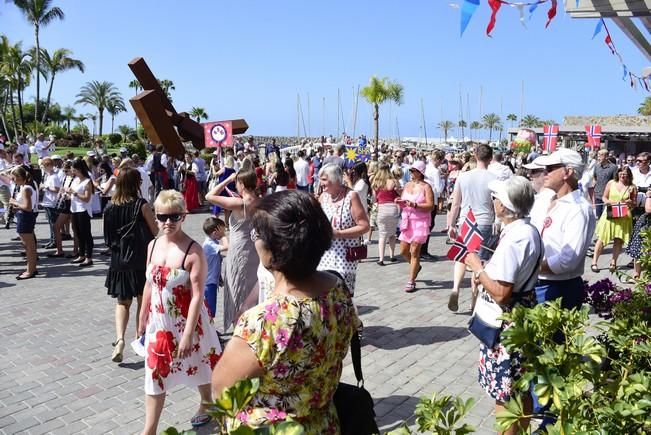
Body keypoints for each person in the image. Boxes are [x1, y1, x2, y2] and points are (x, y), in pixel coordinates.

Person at [211, 190, 360, 433]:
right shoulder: (337, 288)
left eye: (256, 234)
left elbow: (222, 392)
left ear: (274, 250)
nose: (254, 239)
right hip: (324, 424)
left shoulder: (267, 319)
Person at [138, 190, 222, 434]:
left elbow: (198, 295)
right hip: (160, 324)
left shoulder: (193, 251)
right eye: (162, 216)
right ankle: (149, 429)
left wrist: (186, 335)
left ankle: (207, 402)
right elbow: (149, 283)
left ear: (184, 216)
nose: (168, 222)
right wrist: (143, 314)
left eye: (174, 217)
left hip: (189, 321)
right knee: (155, 373)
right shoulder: (152, 245)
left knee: (200, 363)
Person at [465, 176, 541, 435]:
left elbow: (501, 294)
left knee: (505, 393)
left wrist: (477, 268)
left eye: (497, 197)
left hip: (506, 324)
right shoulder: (526, 230)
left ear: (505, 205)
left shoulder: (516, 237)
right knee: (519, 388)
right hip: (521, 316)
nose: (494, 201)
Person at [103, 168, 157, 362]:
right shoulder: (141, 205)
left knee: (122, 302)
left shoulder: (109, 207)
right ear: (136, 184)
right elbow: (155, 230)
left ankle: (119, 340)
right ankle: (139, 337)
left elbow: (107, 239)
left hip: (119, 261)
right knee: (143, 302)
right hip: (140, 259)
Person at [530, 148, 595, 309]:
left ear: (568, 172)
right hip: (538, 282)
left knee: (553, 335)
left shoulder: (579, 209)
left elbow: (568, 260)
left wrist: (531, 267)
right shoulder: (545, 199)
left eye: (551, 169)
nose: (545, 173)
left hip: (559, 289)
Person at [206, 170, 261, 330]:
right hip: (255, 250)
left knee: (237, 287)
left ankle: (240, 325)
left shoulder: (240, 203)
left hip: (238, 251)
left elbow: (209, 196)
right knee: (252, 289)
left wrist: (226, 180)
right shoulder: (260, 201)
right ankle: (252, 324)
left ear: (241, 184)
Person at [446, 144, 497, 311]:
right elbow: (496, 204)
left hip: (466, 221)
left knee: (462, 256)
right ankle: (474, 302)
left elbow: (456, 203)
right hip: (484, 221)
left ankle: (455, 288)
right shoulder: (493, 178)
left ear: (475, 156)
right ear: (490, 158)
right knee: (479, 262)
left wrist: (451, 224)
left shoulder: (463, 176)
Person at [316, 164, 370, 295]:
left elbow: (364, 226)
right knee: (324, 295)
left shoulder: (351, 196)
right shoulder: (324, 196)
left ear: (335, 179)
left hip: (345, 256)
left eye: (323, 179)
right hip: (324, 254)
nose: (320, 183)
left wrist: (339, 234)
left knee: (342, 296)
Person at [396, 161, 434, 293]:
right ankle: (416, 267)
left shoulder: (426, 187)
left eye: (414, 170)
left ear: (420, 172)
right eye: (411, 170)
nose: (411, 173)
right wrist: (399, 202)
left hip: (420, 222)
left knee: (414, 251)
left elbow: (431, 206)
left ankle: (411, 280)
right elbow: (403, 203)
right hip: (407, 221)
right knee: (403, 251)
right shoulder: (407, 185)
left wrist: (415, 205)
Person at [591, 166, 636, 273]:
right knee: (602, 238)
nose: (623, 175)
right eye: (621, 173)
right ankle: (594, 262)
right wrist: (610, 202)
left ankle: (613, 262)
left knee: (618, 240)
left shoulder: (632, 187)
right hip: (610, 214)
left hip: (623, 216)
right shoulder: (611, 183)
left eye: (625, 173)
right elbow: (604, 197)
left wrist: (631, 202)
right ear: (618, 173)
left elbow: (634, 204)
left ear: (629, 175)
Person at [3, 166, 39, 279]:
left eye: (13, 178)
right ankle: (32, 268)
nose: (12, 181)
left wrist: (15, 203)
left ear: (19, 177)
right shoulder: (24, 187)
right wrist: (16, 208)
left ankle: (30, 270)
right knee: (28, 246)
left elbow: (28, 207)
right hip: (23, 216)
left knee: (29, 247)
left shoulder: (26, 188)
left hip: (25, 218)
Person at [66, 159, 94, 267]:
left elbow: (87, 198)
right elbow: (72, 193)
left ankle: (89, 257)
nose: (73, 172)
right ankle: (81, 255)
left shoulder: (87, 181)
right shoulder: (75, 180)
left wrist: (75, 193)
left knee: (86, 234)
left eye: (74, 169)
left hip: (83, 210)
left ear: (79, 169)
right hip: (74, 209)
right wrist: (68, 193)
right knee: (77, 233)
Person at [202, 217, 228, 320]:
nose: (224, 232)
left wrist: (219, 278)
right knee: (210, 309)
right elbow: (227, 247)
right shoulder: (209, 245)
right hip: (208, 283)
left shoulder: (213, 243)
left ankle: (210, 330)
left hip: (212, 281)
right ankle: (210, 332)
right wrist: (224, 236)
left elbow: (214, 263)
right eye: (221, 230)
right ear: (214, 233)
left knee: (211, 308)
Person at [48, 161, 77, 258]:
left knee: (75, 228)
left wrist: (68, 194)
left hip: (73, 203)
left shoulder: (76, 179)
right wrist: (61, 193)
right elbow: (61, 189)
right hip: (65, 203)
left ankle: (75, 250)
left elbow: (76, 192)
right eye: (64, 171)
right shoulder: (65, 178)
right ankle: (59, 250)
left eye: (67, 171)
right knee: (57, 226)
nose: (65, 173)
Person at [626, 189, 651, 282]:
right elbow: (648, 209)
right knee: (638, 248)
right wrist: (648, 196)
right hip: (647, 224)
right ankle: (636, 275)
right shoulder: (650, 194)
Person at [39, 157, 62, 249]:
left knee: (53, 223)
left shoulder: (54, 177)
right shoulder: (49, 176)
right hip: (47, 202)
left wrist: (46, 187)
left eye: (44, 166)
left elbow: (57, 189)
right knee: (51, 222)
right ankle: (52, 240)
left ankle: (55, 241)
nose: (43, 168)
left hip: (52, 202)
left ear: (49, 166)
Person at [593, 149, 618, 219]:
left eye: (600, 156)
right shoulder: (597, 166)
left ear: (606, 156)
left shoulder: (613, 167)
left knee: (608, 217)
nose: (598, 158)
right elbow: (595, 178)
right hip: (598, 195)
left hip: (609, 197)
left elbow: (616, 181)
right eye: (598, 155)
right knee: (598, 217)